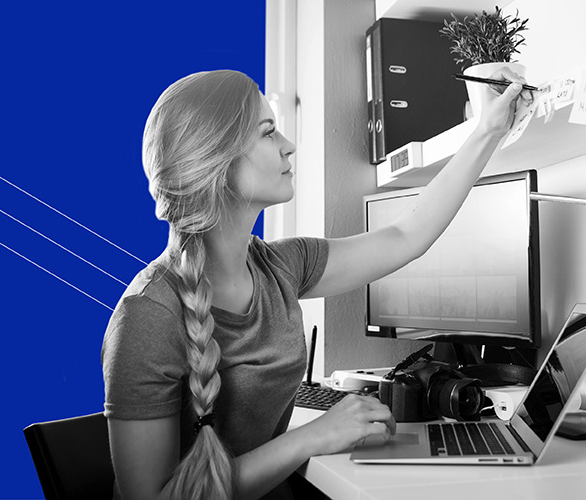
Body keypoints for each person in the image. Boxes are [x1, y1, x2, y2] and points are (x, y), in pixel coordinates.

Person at [101, 69, 527, 500]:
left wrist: (488, 130)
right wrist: (312, 437)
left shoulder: (280, 265)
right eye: (268, 133)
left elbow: (406, 236)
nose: (289, 144)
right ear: (219, 164)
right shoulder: (147, 315)